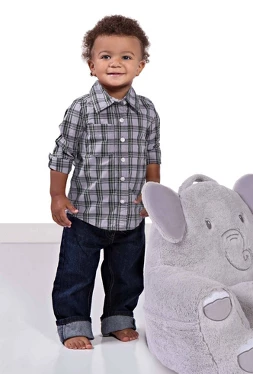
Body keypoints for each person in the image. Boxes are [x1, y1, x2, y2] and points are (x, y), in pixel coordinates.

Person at [48, 15, 161, 350]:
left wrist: (153, 193)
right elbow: (63, 153)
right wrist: (57, 195)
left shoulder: (147, 111)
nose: (115, 63)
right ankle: (73, 322)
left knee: (126, 274)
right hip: (86, 213)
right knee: (75, 273)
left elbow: (152, 152)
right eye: (106, 56)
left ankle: (118, 318)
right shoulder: (81, 110)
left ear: (140, 66)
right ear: (91, 65)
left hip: (129, 216)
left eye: (126, 56)